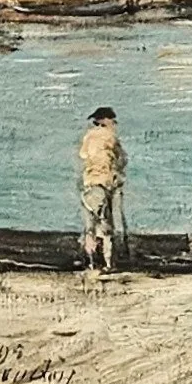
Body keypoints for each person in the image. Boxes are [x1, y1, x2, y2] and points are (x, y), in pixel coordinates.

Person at [78, 107, 126, 271]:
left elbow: (83, 155)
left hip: (88, 185)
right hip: (104, 184)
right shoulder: (110, 137)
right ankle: (107, 264)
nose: (114, 123)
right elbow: (122, 159)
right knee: (106, 227)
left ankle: (91, 263)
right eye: (112, 120)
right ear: (105, 120)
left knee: (89, 227)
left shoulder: (88, 136)